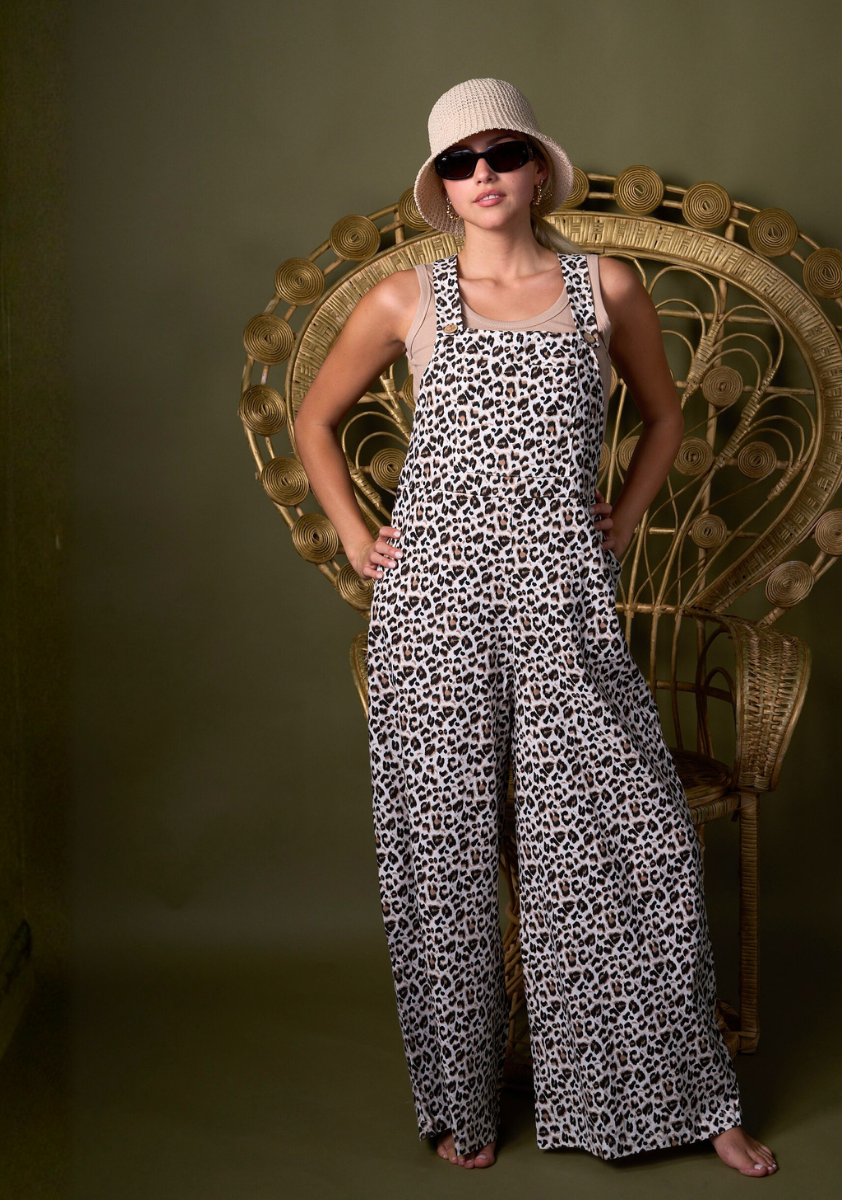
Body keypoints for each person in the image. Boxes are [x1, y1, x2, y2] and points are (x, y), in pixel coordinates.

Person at [294, 77, 778, 1179]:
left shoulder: (605, 284)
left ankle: (683, 1098)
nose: (483, 177)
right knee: (443, 848)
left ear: (537, 169)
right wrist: (359, 538)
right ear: (440, 184)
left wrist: (624, 519)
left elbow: (664, 417)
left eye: (501, 154)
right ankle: (462, 1101)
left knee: (635, 836)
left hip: (564, 596)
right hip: (434, 605)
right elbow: (316, 420)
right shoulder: (405, 298)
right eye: (459, 163)